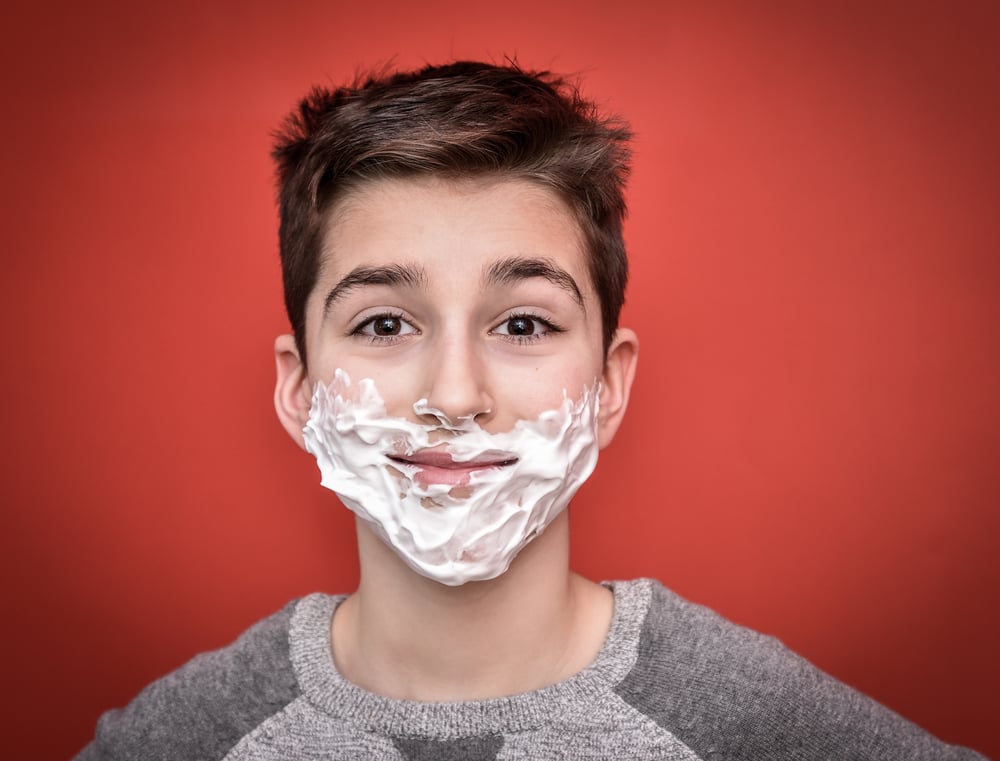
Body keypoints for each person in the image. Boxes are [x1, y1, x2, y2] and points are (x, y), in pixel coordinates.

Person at [75, 61, 987, 761]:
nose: (457, 395)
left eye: (522, 322)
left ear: (610, 386)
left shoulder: (756, 724)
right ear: (299, 390)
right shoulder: (179, 739)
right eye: (385, 323)